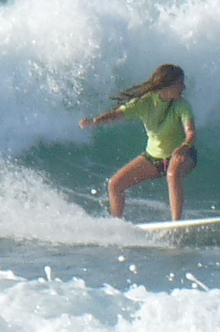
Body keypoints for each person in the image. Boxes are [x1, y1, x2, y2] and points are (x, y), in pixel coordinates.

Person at [80, 63, 197, 220]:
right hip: (153, 157)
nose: (184, 87)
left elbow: (191, 132)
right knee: (115, 184)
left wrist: (184, 147)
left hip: (182, 155)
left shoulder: (182, 105)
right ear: (167, 85)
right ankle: (117, 225)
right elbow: (116, 115)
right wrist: (95, 121)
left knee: (173, 173)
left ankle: (177, 224)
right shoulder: (145, 103)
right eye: (180, 83)